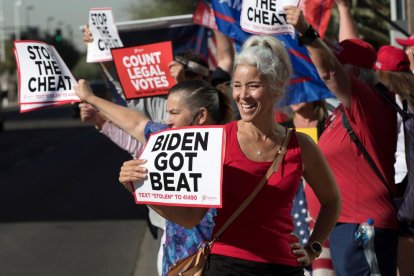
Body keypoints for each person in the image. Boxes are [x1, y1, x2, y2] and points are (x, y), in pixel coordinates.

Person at [118, 35, 341, 275]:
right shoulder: (215, 140)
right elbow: (191, 217)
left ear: (276, 87)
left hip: (284, 267)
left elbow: (332, 201)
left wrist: (313, 248)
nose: (242, 95)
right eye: (237, 85)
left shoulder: (301, 145)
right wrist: (140, 190)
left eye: (253, 86)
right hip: (227, 266)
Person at [285, 5, 399, 276]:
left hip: (361, 225)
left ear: (355, 74)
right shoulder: (345, 110)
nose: (323, 65)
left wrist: (306, 32)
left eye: (340, 63)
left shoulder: (367, 103)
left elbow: (331, 72)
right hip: (343, 226)